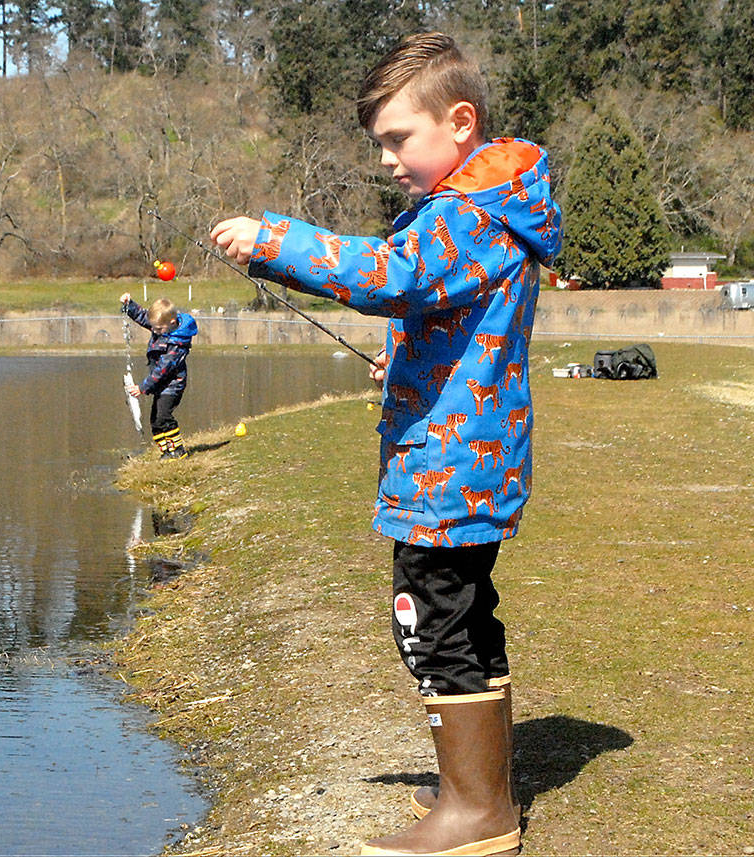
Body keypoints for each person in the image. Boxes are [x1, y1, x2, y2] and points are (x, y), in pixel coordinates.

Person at [210, 32, 562, 857]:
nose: (388, 160)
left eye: (399, 139)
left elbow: (388, 276)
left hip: (452, 475)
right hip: (469, 463)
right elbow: (447, 316)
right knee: (465, 621)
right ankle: (481, 787)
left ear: (461, 122)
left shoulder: (468, 215)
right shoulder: (488, 208)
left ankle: (477, 813)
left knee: (429, 622)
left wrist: (274, 240)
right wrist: (405, 359)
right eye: (381, 145)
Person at [120, 293, 198, 459]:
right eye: (153, 328)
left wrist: (142, 388)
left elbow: (162, 370)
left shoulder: (177, 344)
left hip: (172, 385)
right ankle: (166, 452)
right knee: (155, 420)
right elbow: (143, 316)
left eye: (158, 329)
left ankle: (177, 450)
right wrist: (130, 305)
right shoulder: (161, 325)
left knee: (164, 416)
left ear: (171, 323)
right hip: (160, 384)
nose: (154, 331)